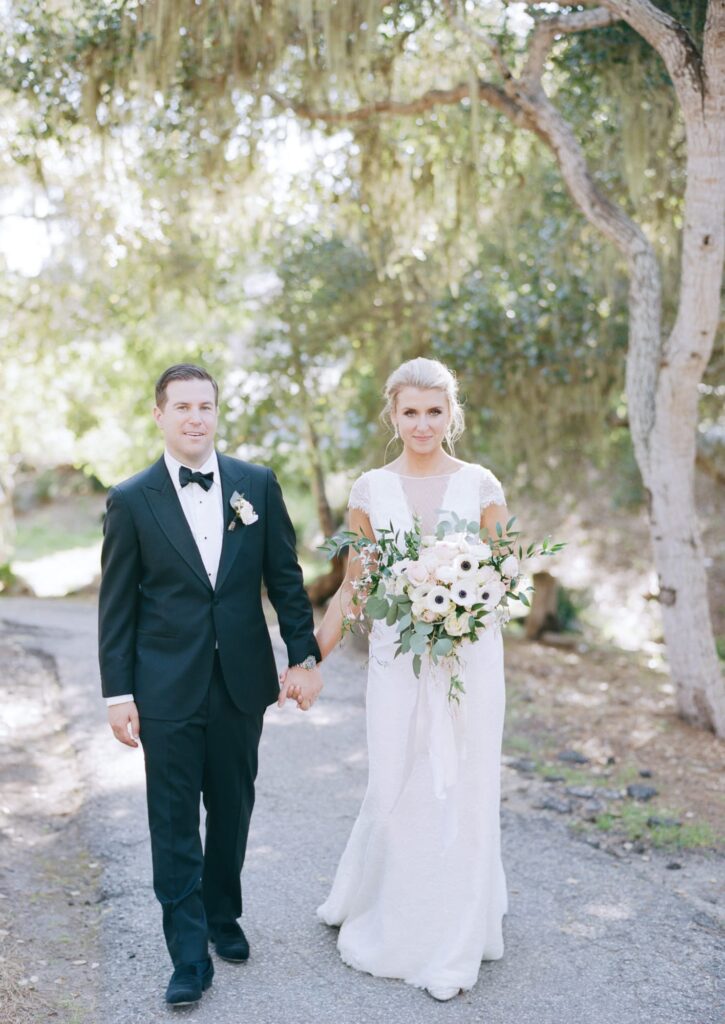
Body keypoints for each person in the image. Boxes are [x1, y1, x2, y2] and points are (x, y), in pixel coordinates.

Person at [98, 363, 322, 1006]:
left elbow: (285, 578)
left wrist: (303, 656)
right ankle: (189, 956)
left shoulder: (256, 484)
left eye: (206, 406)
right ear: (160, 415)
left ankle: (224, 917)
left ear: (216, 413)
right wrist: (119, 695)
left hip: (240, 682)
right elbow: (117, 607)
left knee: (232, 808)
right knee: (173, 822)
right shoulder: (132, 498)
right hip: (163, 686)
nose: (196, 417)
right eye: (183, 407)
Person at [300, 356, 509, 1001]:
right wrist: (310, 660)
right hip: (396, 656)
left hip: (469, 659)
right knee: (395, 776)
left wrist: (465, 599)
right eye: (410, 412)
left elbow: (504, 581)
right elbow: (353, 589)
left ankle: (455, 929)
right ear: (393, 416)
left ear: (453, 414)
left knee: (464, 781)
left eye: (435, 411)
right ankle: (389, 913)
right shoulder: (370, 490)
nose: (423, 423)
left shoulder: (480, 485)